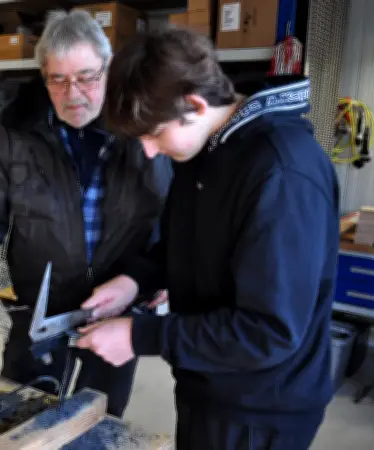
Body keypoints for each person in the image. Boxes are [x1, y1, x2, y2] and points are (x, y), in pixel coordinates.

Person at [77, 27, 338, 449]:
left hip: (260, 409)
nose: (148, 151)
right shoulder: (204, 149)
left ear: (195, 105)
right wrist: (134, 281)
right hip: (207, 380)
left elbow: (268, 331)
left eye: (153, 133)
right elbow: (185, 243)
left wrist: (139, 336)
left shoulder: (280, 172)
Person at [0, 9, 172, 418]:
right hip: (38, 311)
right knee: (20, 416)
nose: (73, 93)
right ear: (42, 77)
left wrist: (167, 275)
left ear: (109, 68)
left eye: (87, 77)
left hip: (117, 307)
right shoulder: (11, 132)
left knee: (97, 419)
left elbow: (177, 210)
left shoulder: (144, 126)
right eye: (58, 80)